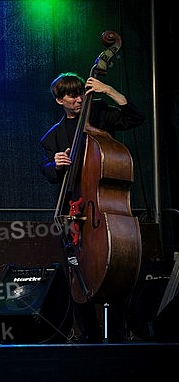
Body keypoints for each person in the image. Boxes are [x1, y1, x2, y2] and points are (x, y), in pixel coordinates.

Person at [39, 72, 145, 343]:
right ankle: (88, 334)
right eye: (71, 95)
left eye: (80, 93)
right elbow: (46, 170)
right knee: (77, 270)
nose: (78, 98)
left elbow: (135, 118)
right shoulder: (52, 137)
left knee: (114, 265)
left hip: (103, 211)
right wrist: (56, 164)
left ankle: (120, 332)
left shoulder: (99, 114)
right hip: (73, 210)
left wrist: (108, 90)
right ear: (59, 100)